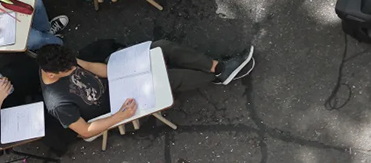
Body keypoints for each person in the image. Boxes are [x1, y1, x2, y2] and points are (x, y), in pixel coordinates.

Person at [37, 42, 255, 139]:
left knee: (161, 48)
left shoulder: (62, 61)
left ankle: (216, 67)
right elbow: (85, 131)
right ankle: (217, 75)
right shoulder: (58, 104)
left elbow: (93, 67)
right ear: (52, 74)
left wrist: (122, 70)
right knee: (169, 78)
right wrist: (119, 116)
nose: (74, 68)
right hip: (118, 104)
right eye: (69, 70)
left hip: (118, 79)